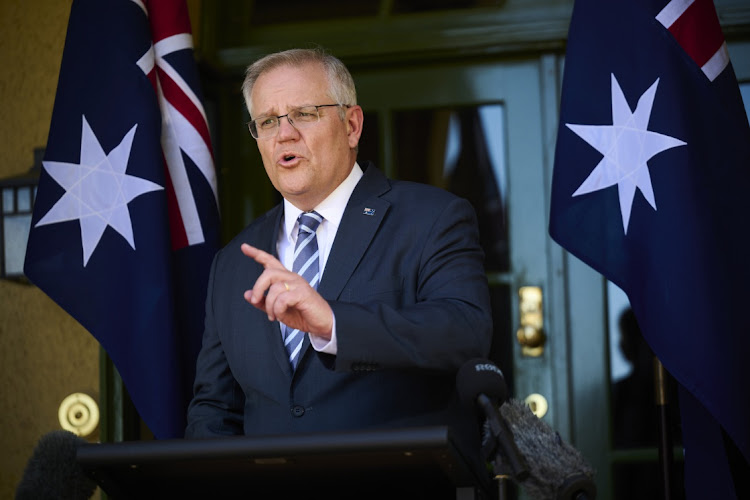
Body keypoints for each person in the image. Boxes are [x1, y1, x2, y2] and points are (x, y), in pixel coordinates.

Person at [185, 48, 493, 453]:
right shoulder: (232, 263)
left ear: (351, 125)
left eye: (304, 114)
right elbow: (214, 409)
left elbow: (465, 333)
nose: (285, 134)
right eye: (267, 121)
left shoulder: (433, 218)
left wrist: (334, 324)